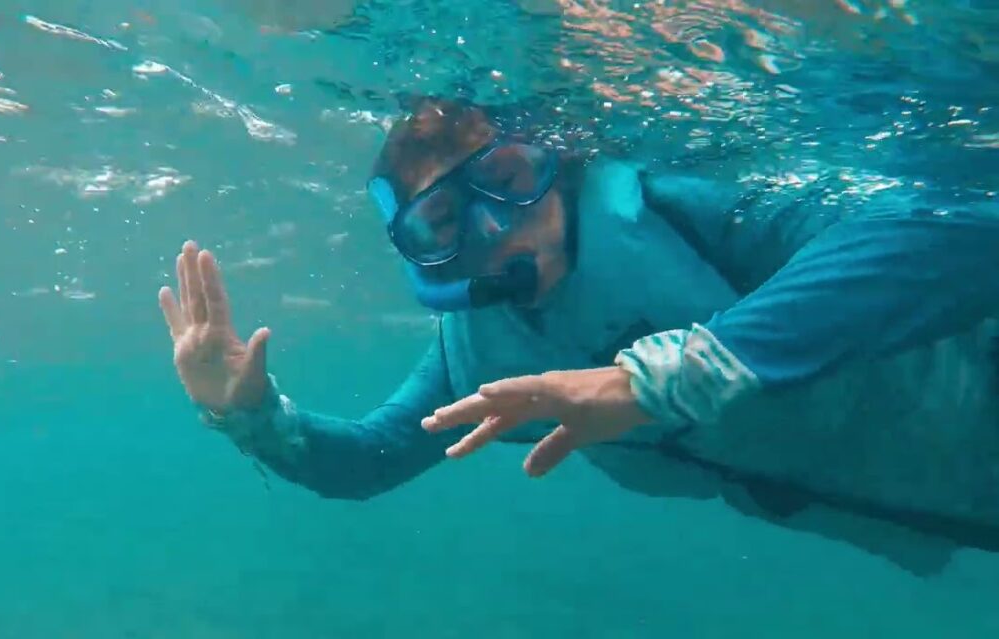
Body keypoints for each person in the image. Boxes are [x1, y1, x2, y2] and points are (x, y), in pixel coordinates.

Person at [158, 95, 999, 573]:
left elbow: (958, 229)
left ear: (556, 163)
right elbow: (369, 462)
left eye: (509, 181)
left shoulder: (683, 217)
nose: (498, 229)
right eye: (447, 220)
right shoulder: (477, 356)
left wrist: (660, 380)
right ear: (424, 254)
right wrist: (253, 416)